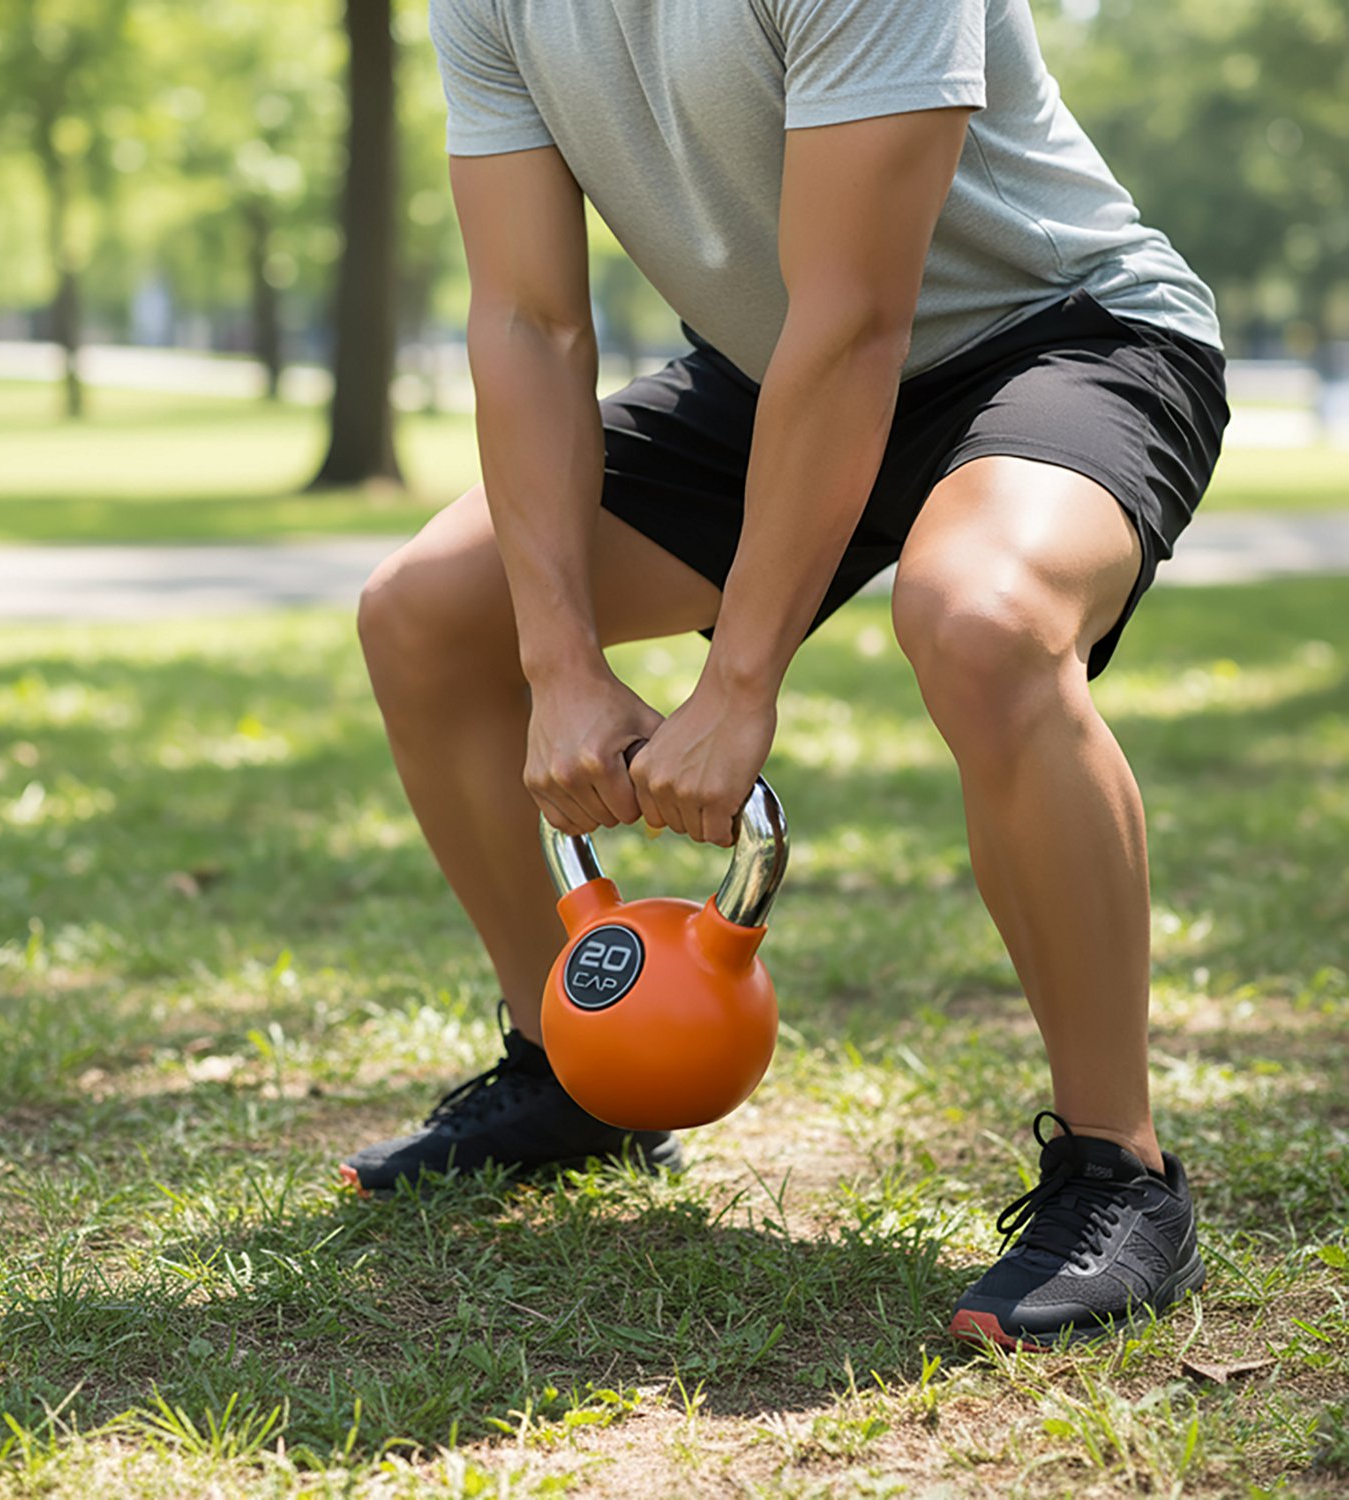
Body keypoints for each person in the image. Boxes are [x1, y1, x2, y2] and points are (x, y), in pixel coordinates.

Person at [342, 0, 1229, 1351]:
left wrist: (737, 686)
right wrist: (561, 664)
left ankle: (1122, 1172)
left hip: (1059, 335)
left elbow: (860, 313)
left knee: (981, 624)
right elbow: (526, 320)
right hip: (772, 369)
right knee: (425, 615)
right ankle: (579, 1064)